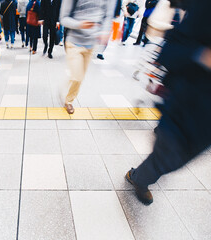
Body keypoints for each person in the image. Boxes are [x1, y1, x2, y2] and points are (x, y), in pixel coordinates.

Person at [126, 0, 211, 205]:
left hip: (202, 119)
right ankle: (139, 178)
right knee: (169, 156)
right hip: (188, 104)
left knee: (178, 157)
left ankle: (140, 175)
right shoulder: (204, 8)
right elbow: (172, 48)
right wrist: (203, 56)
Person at [60, 0, 116, 114]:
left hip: (91, 44)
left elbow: (108, 16)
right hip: (74, 42)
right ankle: (68, 100)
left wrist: (104, 31)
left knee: (79, 78)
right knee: (77, 77)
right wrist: (79, 24)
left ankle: (69, 97)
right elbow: (64, 18)